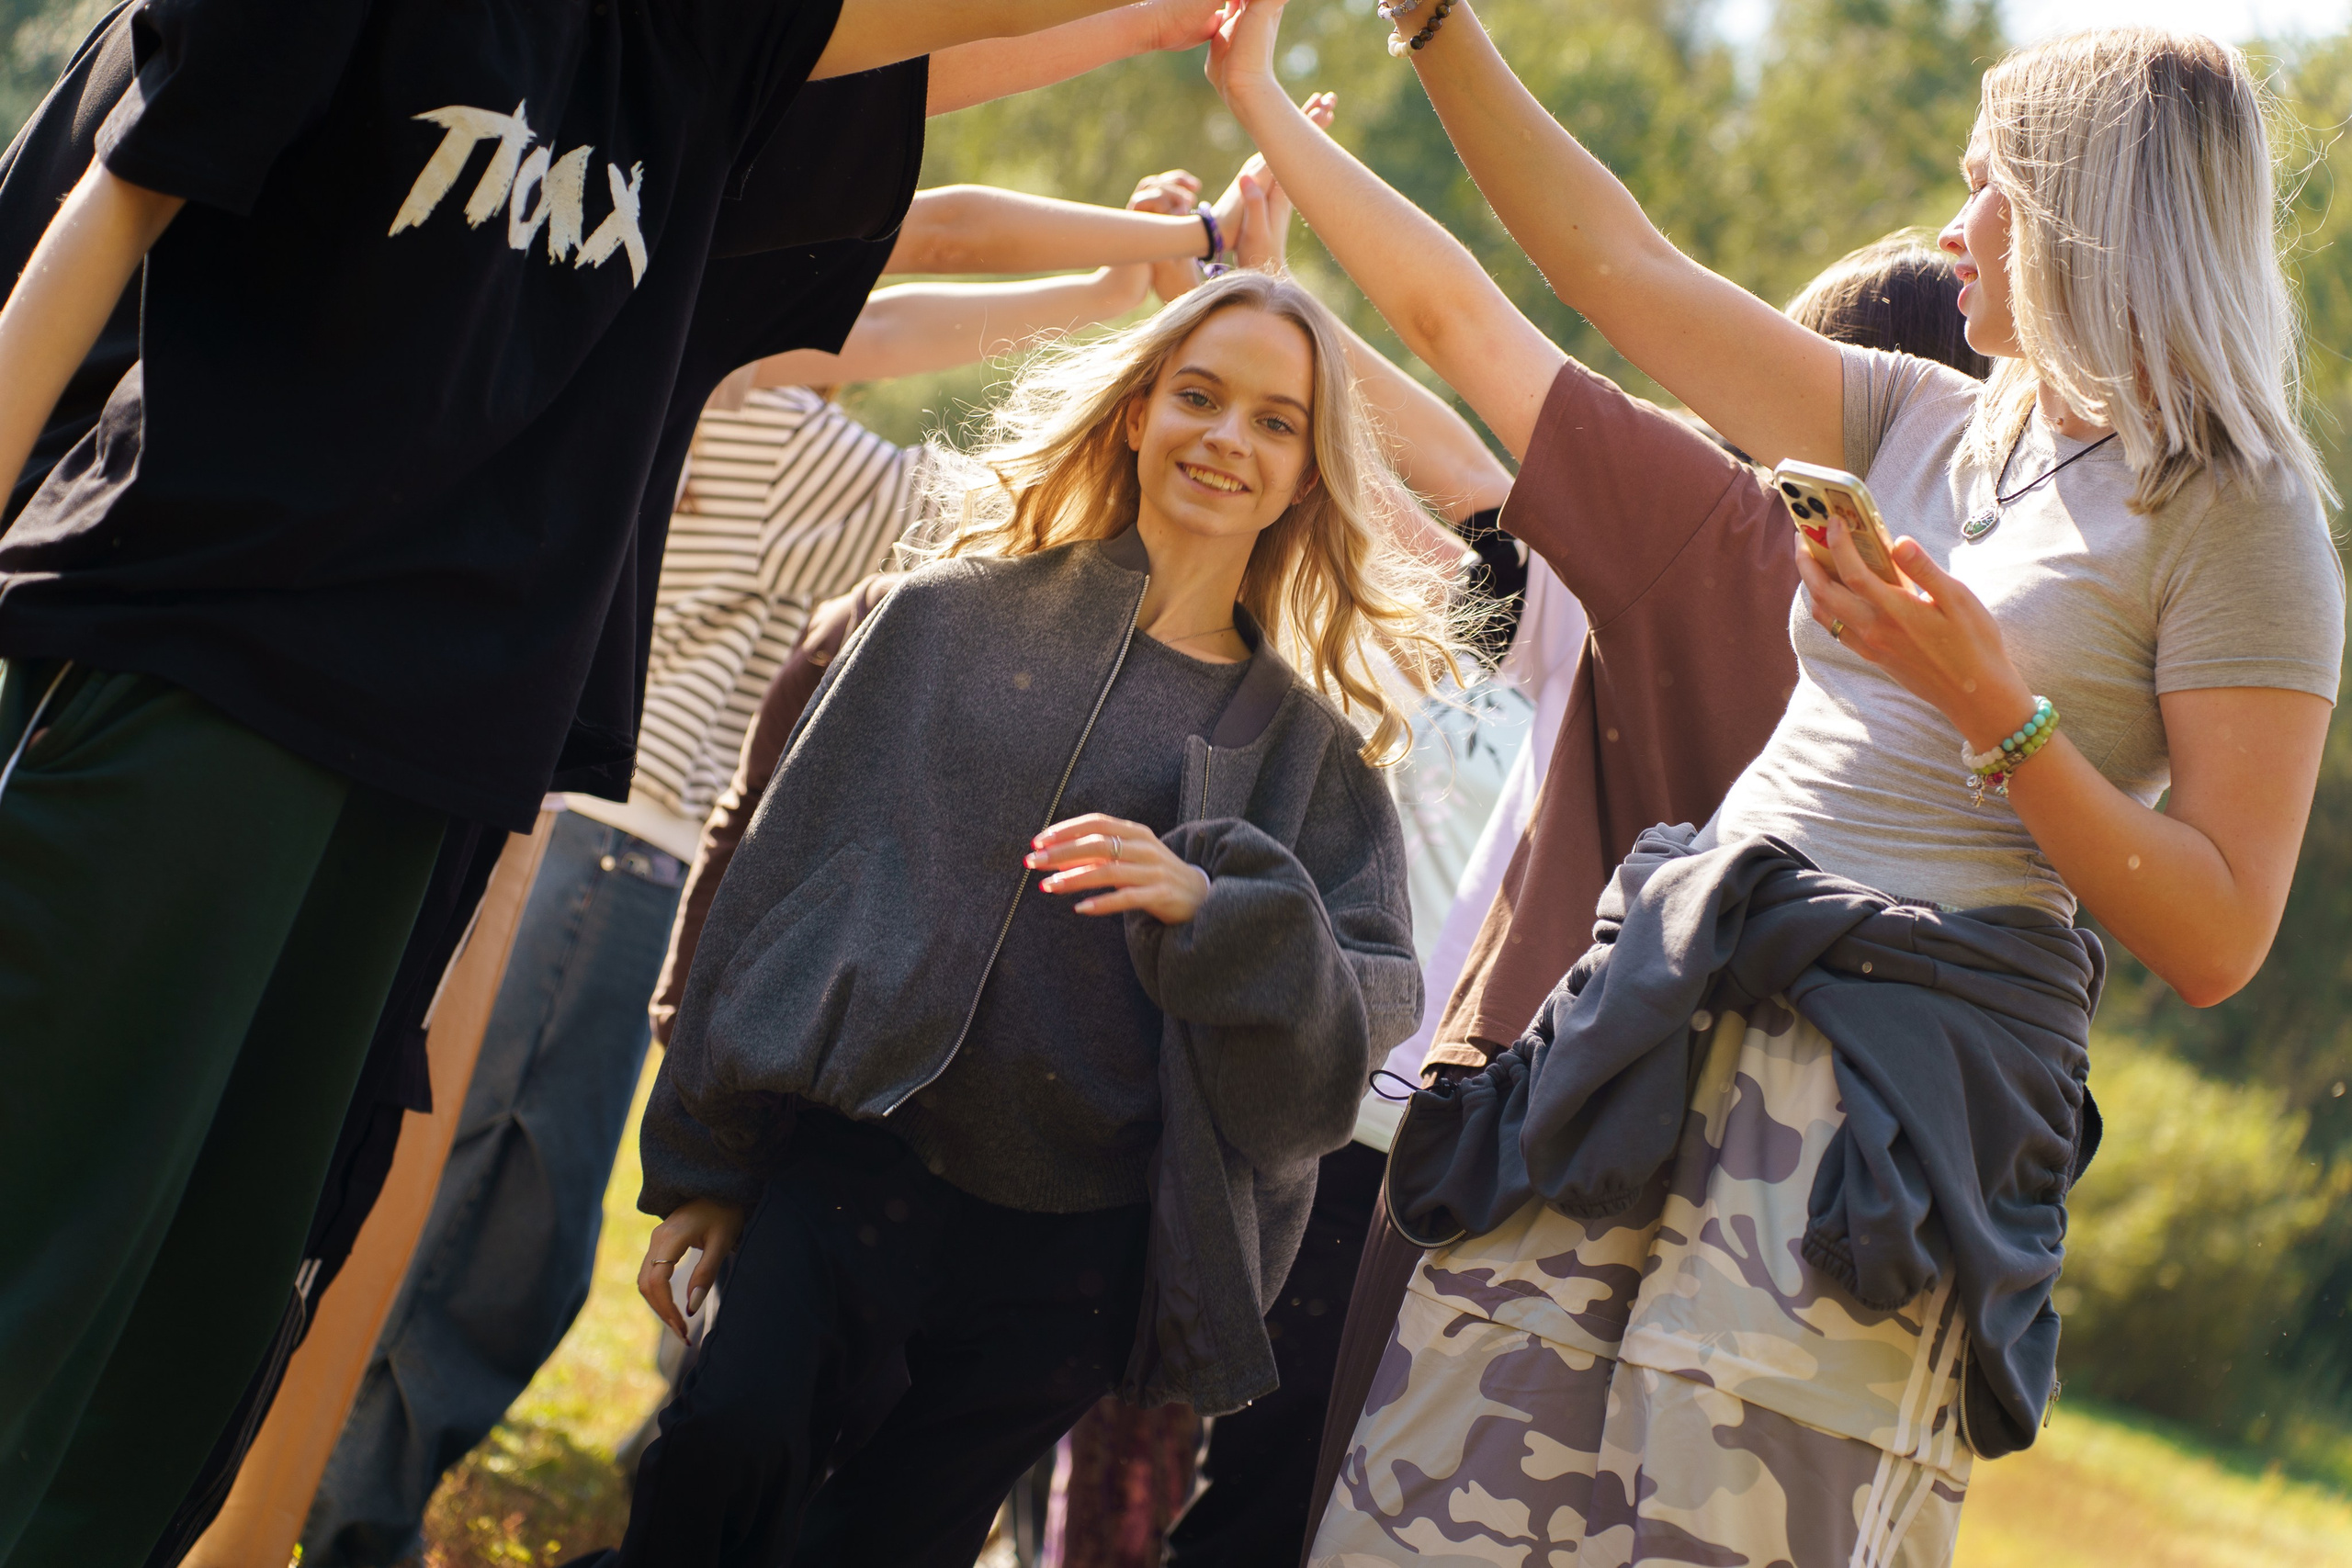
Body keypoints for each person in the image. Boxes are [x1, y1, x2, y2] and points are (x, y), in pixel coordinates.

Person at [0, 0, 1232, 1556]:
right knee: (53, 1221)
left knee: (211, 1295)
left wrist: (1165, 175)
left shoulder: (694, 57)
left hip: (448, 777)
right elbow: (102, 219)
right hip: (200, 680)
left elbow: (962, 78)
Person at [1214, 6, 2341, 1564]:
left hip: (1872, 1107)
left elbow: (2220, 933)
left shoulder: (2248, 516)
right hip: (1656, 1016)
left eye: (1988, 186)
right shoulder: (1934, 420)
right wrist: (1435, 30)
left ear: (2087, 210)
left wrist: (1993, 711)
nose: (1956, 228)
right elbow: (1622, 270)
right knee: (1429, 1516)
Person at [297, 153, 1267, 1564]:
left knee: (476, 1226)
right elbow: (997, 463)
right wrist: (1171, 274)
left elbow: (908, 305)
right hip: (604, 865)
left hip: (564, 854)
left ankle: (330, 1506)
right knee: (497, 1247)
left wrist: (1135, 286)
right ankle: (341, 1523)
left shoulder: (712, 390)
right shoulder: (773, 435)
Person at [605, 265, 1457, 1566]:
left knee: (882, 1546)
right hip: (856, 1168)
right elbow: (781, 881)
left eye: (1275, 422)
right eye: (1199, 397)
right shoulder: (940, 622)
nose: (1228, 437)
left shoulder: (1315, 757)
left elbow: (1350, 1039)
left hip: (1074, 1248)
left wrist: (1219, 913)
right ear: (1135, 413)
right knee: (721, 1450)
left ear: (1303, 475)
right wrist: (714, 1168)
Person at [1301, 226, 2008, 1552]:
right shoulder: (1990, 682)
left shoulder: (1691, 549)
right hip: (1781, 1212)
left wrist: (1264, 291)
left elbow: (1460, 426)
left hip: (1520, 1120)